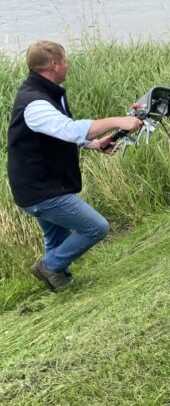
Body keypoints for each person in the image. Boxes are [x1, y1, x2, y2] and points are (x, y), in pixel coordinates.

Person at [6, 40, 143, 292]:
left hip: (40, 184)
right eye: (66, 61)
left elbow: (59, 133)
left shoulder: (47, 92)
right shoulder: (34, 103)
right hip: (40, 190)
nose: (68, 66)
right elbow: (69, 129)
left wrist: (93, 144)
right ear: (55, 64)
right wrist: (118, 121)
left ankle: (61, 283)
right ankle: (49, 266)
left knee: (57, 238)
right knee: (96, 227)